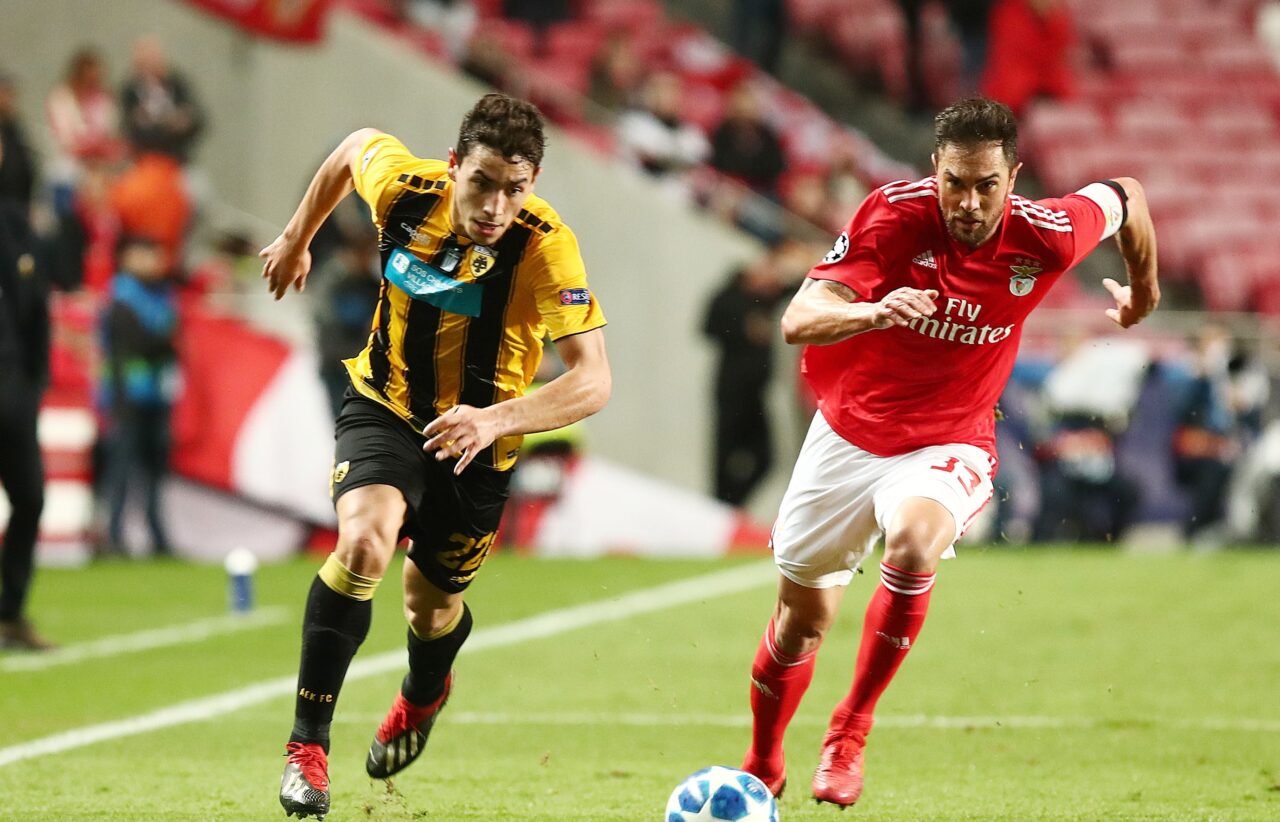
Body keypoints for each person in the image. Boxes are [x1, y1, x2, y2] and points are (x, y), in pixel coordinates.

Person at [739, 97, 1158, 807]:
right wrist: (871, 311)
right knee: (800, 624)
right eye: (954, 183)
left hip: (951, 438)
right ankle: (763, 760)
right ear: (935, 167)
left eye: (985, 185)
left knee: (913, 544)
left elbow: (1128, 196)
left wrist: (1143, 291)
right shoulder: (892, 215)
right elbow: (798, 318)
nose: (967, 203)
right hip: (849, 434)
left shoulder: (1049, 235)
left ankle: (850, 728)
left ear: (1013, 178)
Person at [259, 93, 611, 820]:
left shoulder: (545, 246)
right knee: (363, 543)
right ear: (453, 166)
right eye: (481, 182)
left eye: (514, 188)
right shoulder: (406, 189)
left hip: (479, 441)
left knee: (431, 605)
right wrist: (297, 237)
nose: (495, 205)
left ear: (533, 183)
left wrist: (494, 419)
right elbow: (353, 146)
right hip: (385, 404)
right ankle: (306, 749)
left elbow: (593, 379)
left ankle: (423, 695)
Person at [0, 131, 52, 650]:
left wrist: (35, 377)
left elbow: (36, 307)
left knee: (31, 497)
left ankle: (10, 613)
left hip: (12, 383)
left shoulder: (15, 223)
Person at [99, 236, 179, 558]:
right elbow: (142, 344)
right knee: (121, 469)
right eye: (144, 255)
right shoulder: (121, 297)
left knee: (155, 471)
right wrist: (164, 342)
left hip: (157, 396)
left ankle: (158, 537)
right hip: (126, 396)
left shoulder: (162, 294)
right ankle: (112, 537)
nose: (152, 262)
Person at [702, 241, 791, 507]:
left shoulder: (768, 298)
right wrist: (743, 328)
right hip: (731, 391)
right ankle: (720, 506)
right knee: (724, 455)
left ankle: (732, 505)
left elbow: (803, 285)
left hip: (757, 393)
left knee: (766, 458)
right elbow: (707, 328)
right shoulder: (729, 296)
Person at [120, 36, 205, 163]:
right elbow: (133, 130)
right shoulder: (130, 91)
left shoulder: (177, 84)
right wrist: (170, 125)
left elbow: (196, 119)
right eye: (145, 63)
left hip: (179, 156)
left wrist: (158, 123)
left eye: (153, 60)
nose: (150, 67)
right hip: (146, 159)